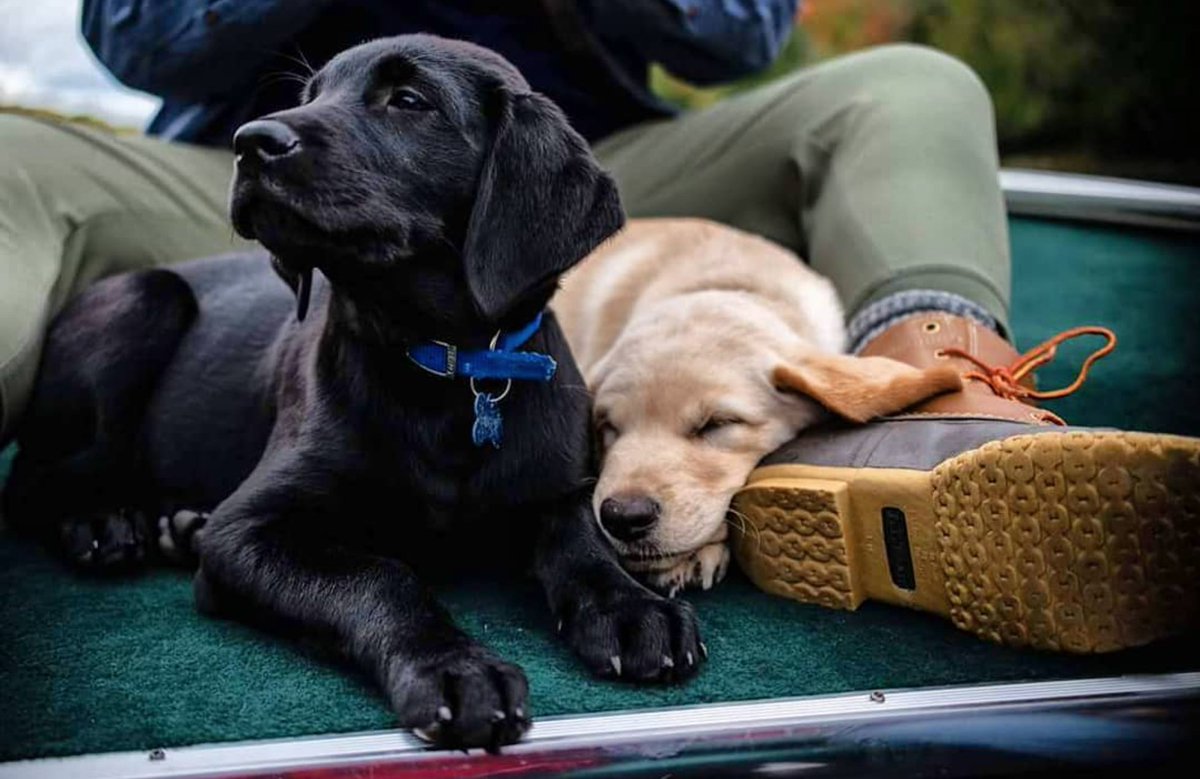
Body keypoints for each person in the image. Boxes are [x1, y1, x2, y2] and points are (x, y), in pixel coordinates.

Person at [1, 2, 1195, 647]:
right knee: (11, 147)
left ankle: (927, 407)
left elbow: (740, 28)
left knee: (918, 85)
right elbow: (134, 32)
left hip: (571, 148)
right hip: (253, 147)